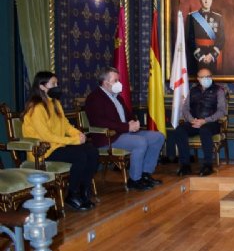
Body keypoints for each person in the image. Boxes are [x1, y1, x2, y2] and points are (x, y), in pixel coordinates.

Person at [22, 71, 99, 211]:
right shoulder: (36, 108)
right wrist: (74, 141)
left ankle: (84, 191)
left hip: (58, 146)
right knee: (80, 156)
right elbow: (46, 136)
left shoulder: (55, 103)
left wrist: (79, 134)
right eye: (53, 84)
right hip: (43, 151)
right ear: (42, 86)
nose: (57, 86)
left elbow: (66, 125)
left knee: (92, 151)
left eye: (57, 83)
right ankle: (72, 194)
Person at [85, 67, 165, 191]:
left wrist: (133, 122)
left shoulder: (117, 97)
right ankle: (135, 180)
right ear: (105, 82)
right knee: (140, 142)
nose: (119, 83)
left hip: (125, 133)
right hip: (109, 138)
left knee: (158, 137)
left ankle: (145, 173)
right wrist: (126, 127)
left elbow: (128, 115)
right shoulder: (94, 98)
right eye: (115, 80)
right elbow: (100, 122)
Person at [175, 67, 227, 177]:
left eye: (209, 76)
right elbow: (185, 109)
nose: (207, 79)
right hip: (194, 122)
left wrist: (205, 120)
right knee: (180, 130)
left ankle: (208, 165)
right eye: (204, 77)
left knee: (205, 130)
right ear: (198, 79)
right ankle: (185, 165)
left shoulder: (219, 90)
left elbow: (222, 111)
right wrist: (191, 120)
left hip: (211, 123)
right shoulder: (193, 91)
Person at [186, 0, 225, 75]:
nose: (207, 1)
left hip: (213, 56)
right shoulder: (192, 17)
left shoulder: (218, 18)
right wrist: (201, 56)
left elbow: (221, 39)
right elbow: (189, 39)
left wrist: (211, 55)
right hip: (197, 57)